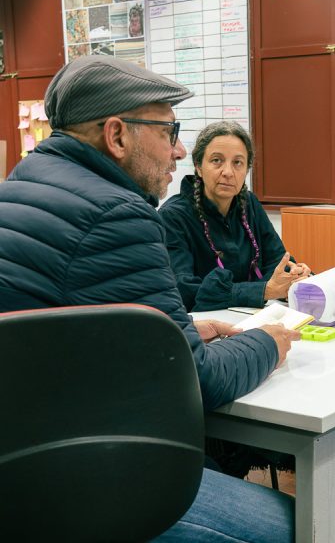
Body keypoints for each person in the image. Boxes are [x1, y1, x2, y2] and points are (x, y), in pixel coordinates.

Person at [0, 55, 297, 542]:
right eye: (168, 130)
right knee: (296, 523)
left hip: (23, 452)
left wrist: (157, 333)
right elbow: (200, 382)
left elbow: (52, 328)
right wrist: (268, 341)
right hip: (73, 480)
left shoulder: (18, 189)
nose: (179, 150)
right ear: (117, 136)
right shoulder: (118, 215)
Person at [159, 120, 311, 312]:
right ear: (198, 166)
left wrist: (295, 275)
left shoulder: (249, 204)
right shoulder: (173, 217)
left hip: (252, 316)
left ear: (246, 169)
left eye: (237, 163)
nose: (228, 172)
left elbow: (276, 261)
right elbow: (185, 291)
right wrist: (264, 291)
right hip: (205, 326)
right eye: (217, 161)